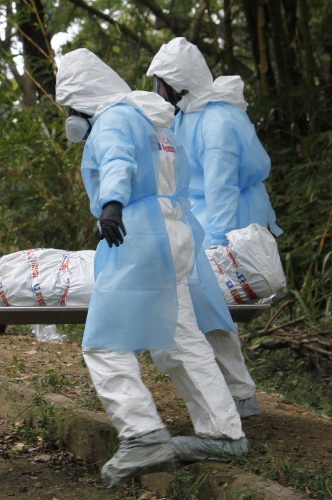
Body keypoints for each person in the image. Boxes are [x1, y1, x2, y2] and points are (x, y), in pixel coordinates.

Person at [56, 49, 248, 489]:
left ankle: (142, 434)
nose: (71, 116)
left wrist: (112, 205)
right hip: (175, 235)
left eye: (70, 107)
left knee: (103, 342)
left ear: (82, 97)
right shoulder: (152, 120)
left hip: (138, 236)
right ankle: (224, 433)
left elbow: (118, 162)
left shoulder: (113, 121)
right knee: (180, 339)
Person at [146, 37, 284, 418]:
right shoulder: (193, 114)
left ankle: (239, 394)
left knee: (204, 302)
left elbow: (221, 188)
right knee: (201, 304)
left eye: (161, 83)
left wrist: (218, 246)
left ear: (178, 83)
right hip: (205, 218)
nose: (158, 92)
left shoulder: (219, 121)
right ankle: (236, 392)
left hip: (231, 221)